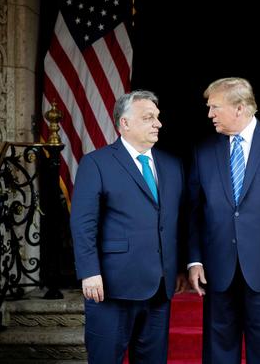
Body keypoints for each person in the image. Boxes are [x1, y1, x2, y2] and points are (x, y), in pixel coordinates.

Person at [188, 77, 260, 363]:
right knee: (218, 354)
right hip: (218, 270)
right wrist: (195, 260)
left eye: (215, 107)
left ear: (240, 108)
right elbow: (194, 210)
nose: (209, 114)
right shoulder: (203, 150)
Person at [70, 90, 186, 364]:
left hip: (160, 286)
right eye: (149, 117)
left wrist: (179, 266)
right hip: (112, 286)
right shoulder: (96, 163)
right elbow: (83, 222)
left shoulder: (172, 165)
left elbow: (176, 221)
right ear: (125, 123)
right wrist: (89, 272)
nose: (158, 123)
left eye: (157, 117)